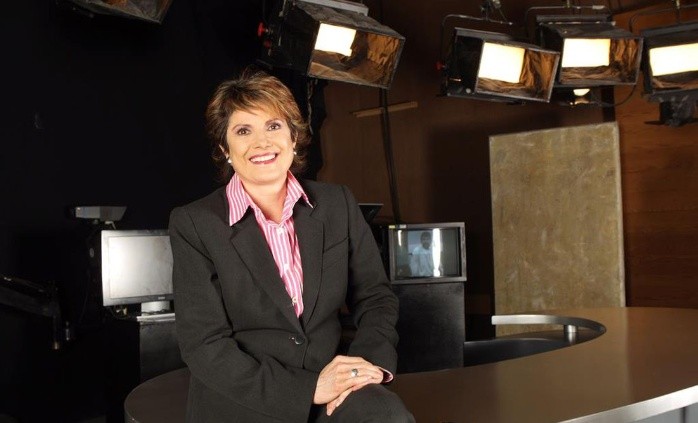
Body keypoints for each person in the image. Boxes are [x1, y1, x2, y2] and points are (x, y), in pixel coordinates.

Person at [169, 69, 414, 423]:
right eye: (243, 131)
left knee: (386, 415)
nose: (262, 142)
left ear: (293, 137)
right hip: (246, 398)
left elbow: (375, 296)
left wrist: (360, 371)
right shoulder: (195, 223)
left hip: (332, 387)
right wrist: (308, 389)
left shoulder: (337, 203)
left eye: (273, 126)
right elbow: (204, 344)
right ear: (224, 149)